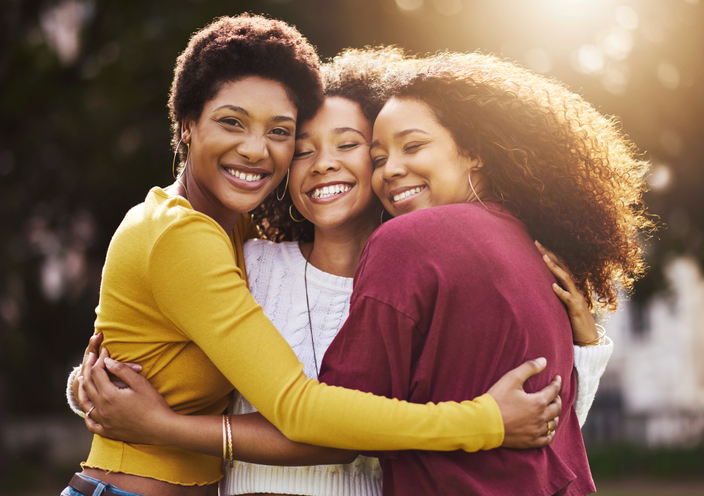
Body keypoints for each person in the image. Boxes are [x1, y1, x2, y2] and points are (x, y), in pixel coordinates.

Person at [70, 49, 613, 496]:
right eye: (301, 149)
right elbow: (157, 347)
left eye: (352, 146)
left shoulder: (430, 278)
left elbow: (536, 427)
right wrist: (95, 385)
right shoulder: (248, 261)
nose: (323, 163)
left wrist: (585, 349)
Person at [317, 50, 653, 495]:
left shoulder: (406, 243)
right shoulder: (536, 250)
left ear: (473, 152)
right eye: (378, 159)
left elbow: (335, 417)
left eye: (412, 146)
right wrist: (588, 346)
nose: (391, 169)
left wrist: (207, 432)